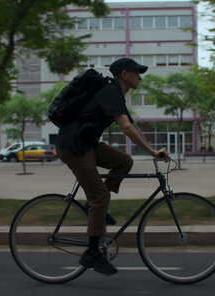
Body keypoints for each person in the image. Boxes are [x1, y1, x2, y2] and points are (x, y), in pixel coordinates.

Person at [56, 58, 170, 276]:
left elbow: (130, 125)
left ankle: (96, 211)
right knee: (99, 196)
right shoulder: (110, 91)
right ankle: (91, 253)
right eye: (137, 72)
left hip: (87, 144)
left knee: (124, 161)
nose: (140, 76)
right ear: (124, 74)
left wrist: (150, 149)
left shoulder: (116, 94)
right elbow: (126, 127)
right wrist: (153, 152)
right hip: (73, 147)